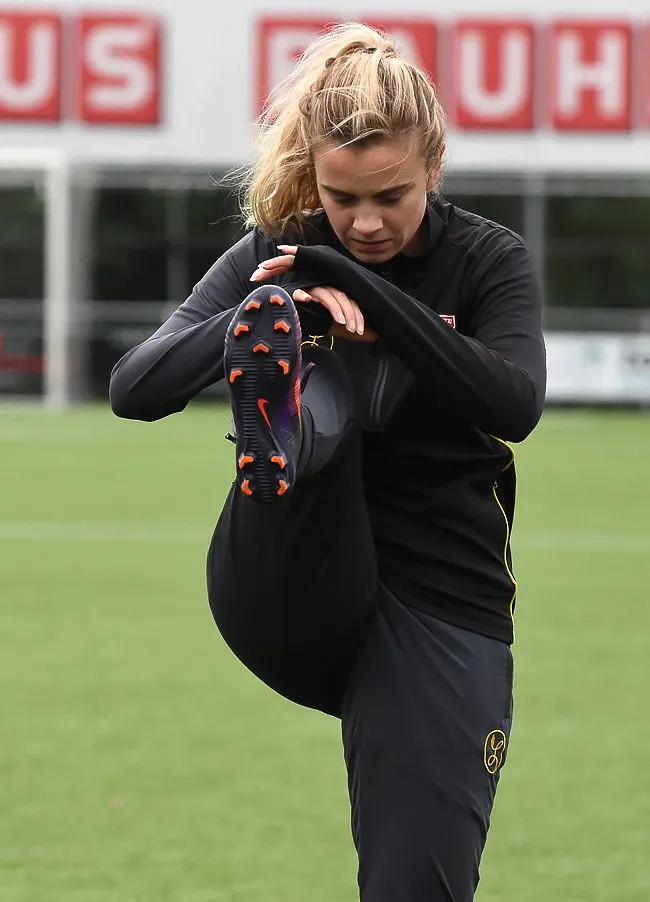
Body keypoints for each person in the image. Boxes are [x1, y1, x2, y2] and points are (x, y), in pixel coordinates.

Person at [109, 21, 546, 902]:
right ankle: (280, 406)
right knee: (307, 362)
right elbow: (135, 387)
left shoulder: (489, 260)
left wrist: (373, 303)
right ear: (316, 172)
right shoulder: (281, 246)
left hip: (437, 599)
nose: (365, 222)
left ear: (434, 165)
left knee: (416, 888)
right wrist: (278, 299)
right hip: (288, 577)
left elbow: (513, 403)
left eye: (391, 195)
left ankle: (293, 396)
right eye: (343, 199)